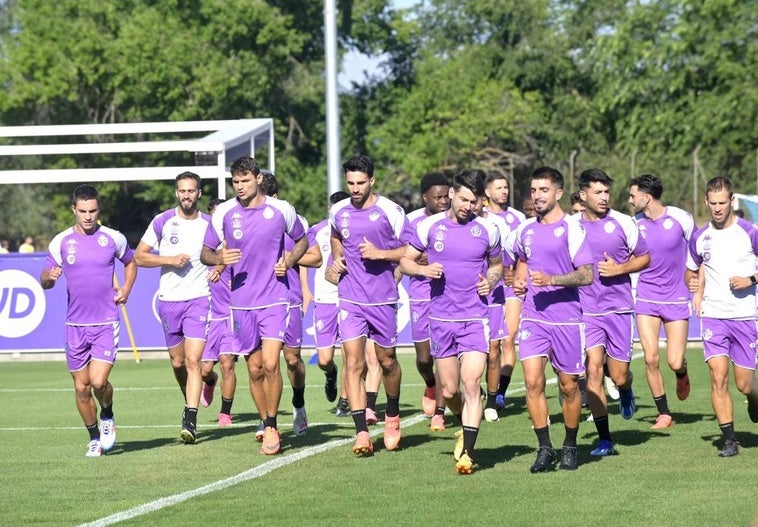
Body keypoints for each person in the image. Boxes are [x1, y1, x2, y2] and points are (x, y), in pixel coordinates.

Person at [201, 156, 308, 455]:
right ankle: (264, 418)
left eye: (245, 181)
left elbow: (302, 241)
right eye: (235, 182)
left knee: (273, 363)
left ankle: (272, 426)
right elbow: (205, 253)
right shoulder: (224, 213)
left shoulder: (281, 210)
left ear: (259, 179)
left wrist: (288, 261)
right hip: (241, 304)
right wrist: (220, 258)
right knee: (256, 369)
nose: (240, 187)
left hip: (275, 299)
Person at [400, 169, 504, 474]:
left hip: (475, 318)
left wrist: (491, 281)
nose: (467, 206)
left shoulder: (489, 229)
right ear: (453, 194)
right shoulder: (430, 226)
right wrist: (422, 271)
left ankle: (468, 454)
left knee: (471, 382)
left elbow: (497, 265)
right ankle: (466, 424)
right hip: (441, 319)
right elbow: (406, 260)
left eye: (474, 201)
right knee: (448, 390)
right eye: (462, 199)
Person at [40, 184, 137, 457]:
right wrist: (50, 276)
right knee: (81, 388)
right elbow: (44, 279)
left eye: (92, 211)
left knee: (97, 382)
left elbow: (131, 262)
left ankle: (107, 413)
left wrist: (126, 288)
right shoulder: (60, 242)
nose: (88, 216)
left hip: (106, 322)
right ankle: (94, 437)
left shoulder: (112, 238)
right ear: (74, 209)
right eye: (82, 211)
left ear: (99, 209)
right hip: (75, 326)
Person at [512, 166, 594, 472]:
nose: (537, 196)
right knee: (533, 382)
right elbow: (521, 261)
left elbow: (588, 273)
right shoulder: (525, 230)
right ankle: (545, 448)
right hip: (534, 318)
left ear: (558, 193)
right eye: (534, 190)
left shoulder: (572, 228)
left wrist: (553, 279)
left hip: (568, 320)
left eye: (543, 190)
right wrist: (519, 282)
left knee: (569, 386)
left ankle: (570, 445)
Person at [327, 154, 408, 456]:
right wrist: (337, 257)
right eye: (350, 183)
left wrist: (381, 253)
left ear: (372, 180)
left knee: (387, 361)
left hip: (383, 297)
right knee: (353, 362)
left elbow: (413, 250)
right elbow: (336, 236)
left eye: (361, 183)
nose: (355, 188)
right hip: (350, 296)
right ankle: (361, 432)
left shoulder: (391, 211)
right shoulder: (339, 210)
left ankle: (393, 414)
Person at [134, 172, 212, 444]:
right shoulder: (163, 221)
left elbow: (224, 253)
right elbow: (139, 256)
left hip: (199, 299)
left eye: (191, 191)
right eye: (182, 191)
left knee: (194, 361)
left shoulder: (210, 224)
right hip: (169, 301)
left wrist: (219, 269)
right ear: (176, 193)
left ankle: (190, 419)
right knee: (178, 362)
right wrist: (168, 259)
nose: (187, 196)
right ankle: (196, 390)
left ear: (199, 193)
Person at [577, 169, 650, 457]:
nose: (604, 197)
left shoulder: (623, 223)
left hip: (618, 310)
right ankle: (605, 439)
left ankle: (626, 388)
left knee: (619, 376)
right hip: (585, 310)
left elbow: (645, 257)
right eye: (598, 192)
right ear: (583, 195)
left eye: (607, 192)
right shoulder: (572, 226)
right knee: (593, 369)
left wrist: (619, 269)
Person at [685, 176, 758, 457]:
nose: (717, 208)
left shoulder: (749, 232)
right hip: (713, 316)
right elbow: (690, 270)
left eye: (722, 203)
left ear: (731, 202)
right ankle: (729, 439)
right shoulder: (700, 237)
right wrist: (693, 286)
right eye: (712, 203)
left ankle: (753, 399)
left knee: (744, 383)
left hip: (744, 318)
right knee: (718, 376)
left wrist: (751, 279)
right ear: (706, 202)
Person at [258, 170, 322, 437]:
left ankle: (298, 403)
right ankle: (267, 419)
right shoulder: (246, 219)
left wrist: (290, 258)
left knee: (292, 360)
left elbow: (316, 258)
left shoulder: (294, 219)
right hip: (259, 300)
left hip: (289, 298)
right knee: (263, 364)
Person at [629, 174, 694, 429]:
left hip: (676, 297)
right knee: (651, 357)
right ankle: (664, 413)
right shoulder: (634, 225)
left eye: (633, 195)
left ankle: (682, 372)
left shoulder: (681, 219)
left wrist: (697, 283)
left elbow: (698, 252)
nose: (630, 200)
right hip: (646, 296)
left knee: (674, 360)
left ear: (647, 197)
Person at [405, 173, 451, 430]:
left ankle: (440, 412)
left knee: (444, 354)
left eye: (447, 196)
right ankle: (431, 385)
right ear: (425, 197)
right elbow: (402, 253)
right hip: (420, 295)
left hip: (447, 297)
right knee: (424, 359)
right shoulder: (412, 221)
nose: (444, 201)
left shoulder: (456, 219)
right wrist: (416, 260)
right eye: (438, 197)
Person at [483, 173, 525, 415]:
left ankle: (500, 393)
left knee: (507, 339)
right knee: (488, 346)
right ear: (487, 193)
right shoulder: (481, 218)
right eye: (498, 188)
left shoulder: (517, 217)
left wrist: (516, 274)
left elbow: (523, 252)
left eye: (506, 187)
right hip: (489, 285)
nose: (504, 191)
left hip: (510, 285)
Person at [310, 191, 351, 416]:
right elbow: (307, 257)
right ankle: (330, 374)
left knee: (350, 354)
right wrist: (306, 290)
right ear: (329, 210)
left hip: (348, 300)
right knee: (324, 359)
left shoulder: (355, 230)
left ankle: (344, 401)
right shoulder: (317, 231)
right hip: (324, 300)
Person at [199, 198, 238, 427]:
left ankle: (225, 413)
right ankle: (210, 381)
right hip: (209, 317)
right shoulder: (205, 250)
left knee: (227, 363)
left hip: (231, 316)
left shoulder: (237, 246)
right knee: (205, 370)